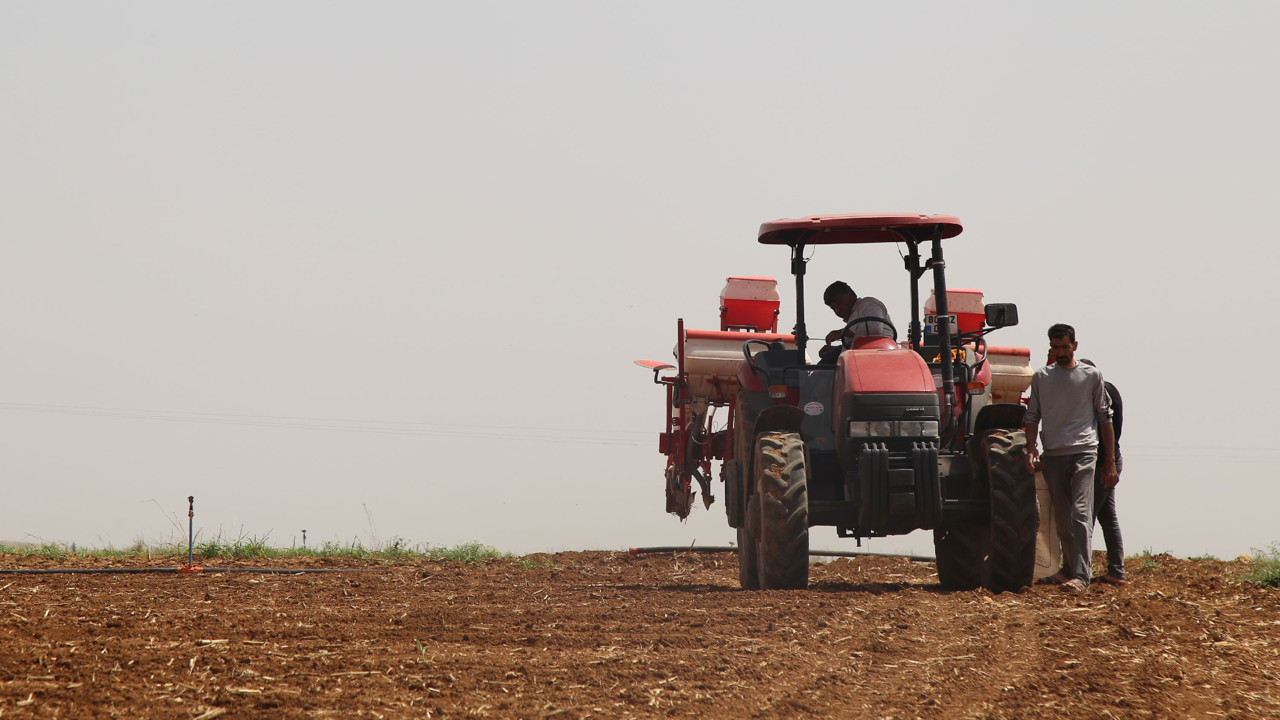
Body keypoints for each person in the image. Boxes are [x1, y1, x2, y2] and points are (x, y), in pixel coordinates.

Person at [1024, 324, 1118, 593]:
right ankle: (1070, 568)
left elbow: (1105, 418)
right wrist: (1031, 448)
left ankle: (1081, 576)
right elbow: (1032, 416)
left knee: (1080, 512)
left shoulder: (1091, 376)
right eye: (1056, 348)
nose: (1061, 352)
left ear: (1075, 346)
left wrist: (1110, 461)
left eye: (1065, 347)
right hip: (1054, 454)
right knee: (1063, 518)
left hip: (1084, 451)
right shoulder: (1041, 377)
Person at [1080, 358, 1126, 585]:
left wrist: (1108, 463)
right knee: (1107, 516)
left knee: (1085, 515)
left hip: (1102, 464)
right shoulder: (1111, 390)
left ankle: (1079, 571)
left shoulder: (1096, 395)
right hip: (1112, 460)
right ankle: (1116, 570)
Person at [819, 281, 894, 362]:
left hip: (880, 354)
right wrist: (832, 350)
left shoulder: (869, 304)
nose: (837, 310)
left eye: (839, 303)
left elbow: (873, 329)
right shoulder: (853, 318)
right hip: (860, 357)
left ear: (851, 296)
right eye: (833, 308)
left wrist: (839, 333)